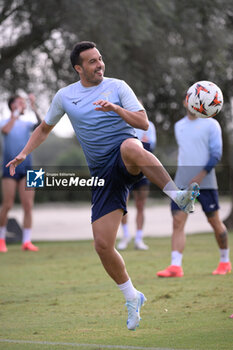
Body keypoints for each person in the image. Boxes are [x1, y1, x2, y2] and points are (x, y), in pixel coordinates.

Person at [6, 41, 200, 330]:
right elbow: (44, 128)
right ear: (78, 68)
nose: (99, 65)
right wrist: (23, 152)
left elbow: (143, 123)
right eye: (92, 61)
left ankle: (178, 196)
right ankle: (132, 296)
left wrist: (115, 109)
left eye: (100, 59)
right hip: (101, 173)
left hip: (125, 154)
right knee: (102, 245)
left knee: (131, 146)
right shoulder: (65, 96)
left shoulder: (118, 86)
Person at [157, 100, 231, 278]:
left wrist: (200, 175)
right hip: (182, 182)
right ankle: (175, 266)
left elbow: (216, 155)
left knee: (214, 222)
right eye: (189, 98)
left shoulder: (212, 124)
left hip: (206, 183)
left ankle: (225, 261)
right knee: (177, 222)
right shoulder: (179, 126)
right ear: (185, 102)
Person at [0, 94, 41, 253]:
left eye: (24, 103)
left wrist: (33, 106)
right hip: (9, 167)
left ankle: (27, 242)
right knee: (7, 204)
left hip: (30, 169)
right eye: (19, 102)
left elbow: (42, 125)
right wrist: (15, 113)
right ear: (12, 105)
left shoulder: (27, 123)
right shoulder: (4, 121)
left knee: (29, 206)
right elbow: (5, 130)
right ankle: (1, 240)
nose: (23, 105)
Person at [118, 121, 156, 250]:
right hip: (126, 170)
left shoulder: (149, 125)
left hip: (143, 171)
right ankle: (125, 236)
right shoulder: (122, 123)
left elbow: (150, 148)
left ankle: (139, 239)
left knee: (140, 205)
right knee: (123, 205)